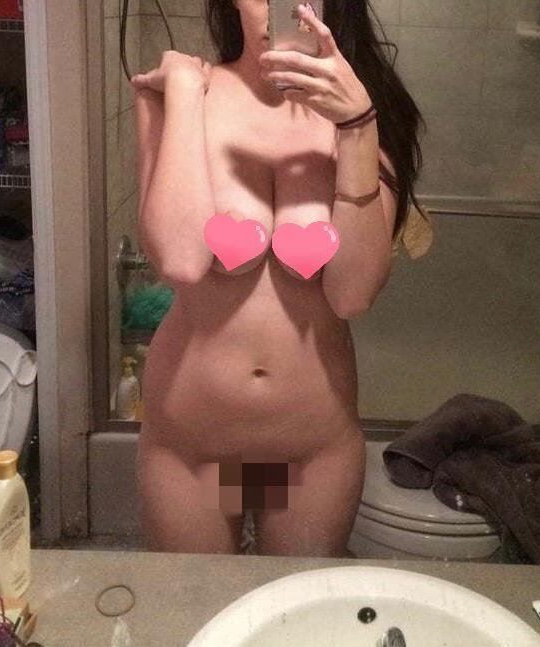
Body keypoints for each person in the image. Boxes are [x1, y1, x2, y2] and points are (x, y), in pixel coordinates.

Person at [130, 0, 424, 557]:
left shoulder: (362, 107)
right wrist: (187, 95)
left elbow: (353, 292)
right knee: (198, 604)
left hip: (309, 453)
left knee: (295, 603)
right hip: (191, 449)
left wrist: (356, 127)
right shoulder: (174, 93)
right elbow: (180, 259)